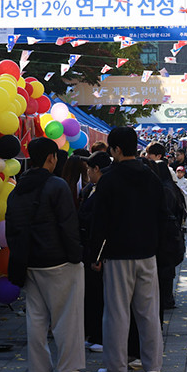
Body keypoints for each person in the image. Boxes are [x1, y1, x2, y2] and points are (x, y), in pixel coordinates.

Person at [5, 138, 93, 372]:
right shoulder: (56, 185)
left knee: (36, 318)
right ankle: (68, 370)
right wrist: (76, 255)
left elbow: (12, 226)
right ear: (52, 157)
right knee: (68, 317)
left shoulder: (18, 188)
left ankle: (40, 371)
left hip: (29, 262)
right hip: (58, 261)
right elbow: (68, 225)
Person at [90, 126, 164, 372]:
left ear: (117, 149)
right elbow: (162, 216)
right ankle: (153, 365)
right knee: (148, 313)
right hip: (147, 253)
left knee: (117, 313)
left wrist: (95, 255)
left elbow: (99, 222)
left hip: (118, 254)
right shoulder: (151, 176)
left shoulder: (109, 179)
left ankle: (116, 368)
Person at [77, 150, 112, 354]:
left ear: (97, 169)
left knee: (98, 295)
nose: (88, 173)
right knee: (90, 293)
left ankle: (99, 335)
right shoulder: (91, 188)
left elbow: (101, 223)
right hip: (88, 248)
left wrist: (98, 255)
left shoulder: (104, 190)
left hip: (98, 250)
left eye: (89, 169)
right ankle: (92, 333)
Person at [153, 159, 186, 318]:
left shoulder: (166, 190)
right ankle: (168, 298)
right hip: (172, 235)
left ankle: (167, 299)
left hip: (166, 236)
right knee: (168, 269)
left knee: (165, 270)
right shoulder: (172, 187)